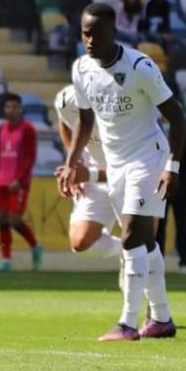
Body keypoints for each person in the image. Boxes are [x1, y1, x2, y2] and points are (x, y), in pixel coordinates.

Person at [57, 2, 186, 341]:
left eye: (96, 34)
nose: (89, 41)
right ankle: (161, 318)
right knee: (145, 241)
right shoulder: (82, 70)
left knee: (130, 233)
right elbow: (85, 123)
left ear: (113, 32)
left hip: (148, 155)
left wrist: (172, 167)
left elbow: (178, 117)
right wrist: (72, 162)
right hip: (115, 163)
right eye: (85, 33)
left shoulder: (140, 66)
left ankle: (128, 324)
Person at [53, 85, 122, 260]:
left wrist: (88, 175)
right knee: (80, 243)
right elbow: (64, 120)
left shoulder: (122, 113)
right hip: (95, 179)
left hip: (131, 183)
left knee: (144, 241)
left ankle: (138, 258)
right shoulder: (67, 99)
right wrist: (74, 164)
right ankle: (125, 250)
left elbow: (131, 169)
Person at [0, 93, 43, 272]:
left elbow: (30, 157)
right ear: (4, 109)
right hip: (2, 181)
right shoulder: (1, 129)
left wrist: (20, 180)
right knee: (2, 219)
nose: (11, 110)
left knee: (14, 220)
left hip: (18, 183)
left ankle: (35, 246)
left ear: (20, 109)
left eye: (14, 107)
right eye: (8, 107)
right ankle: (5, 260)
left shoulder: (28, 129)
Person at [156, 127, 186, 273]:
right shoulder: (155, 128)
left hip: (179, 189)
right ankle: (159, 261)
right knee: (160, 225)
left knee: (181, 224)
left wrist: (181, 182)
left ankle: (184, 261)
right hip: (160, 187)